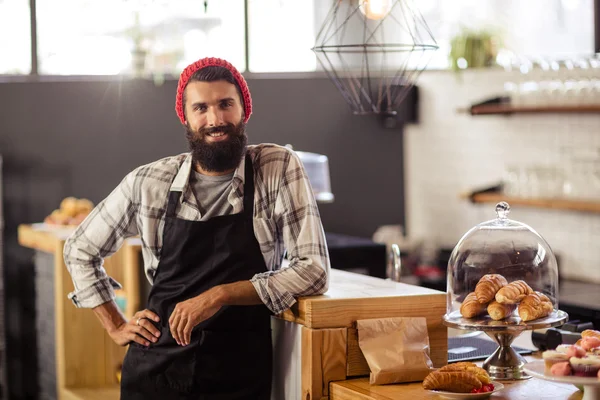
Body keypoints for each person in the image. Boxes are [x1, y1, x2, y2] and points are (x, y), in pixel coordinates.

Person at [63, 56, 330, 399]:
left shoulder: (275, 168)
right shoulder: (149, 182)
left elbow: (314, 270)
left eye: (225, 104)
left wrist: (219, 294)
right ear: (185, 117)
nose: (215, 119)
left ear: (243, 110)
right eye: (201, 108)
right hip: (156, 374)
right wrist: (116, 325)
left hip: (240, 373)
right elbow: (79, 249)